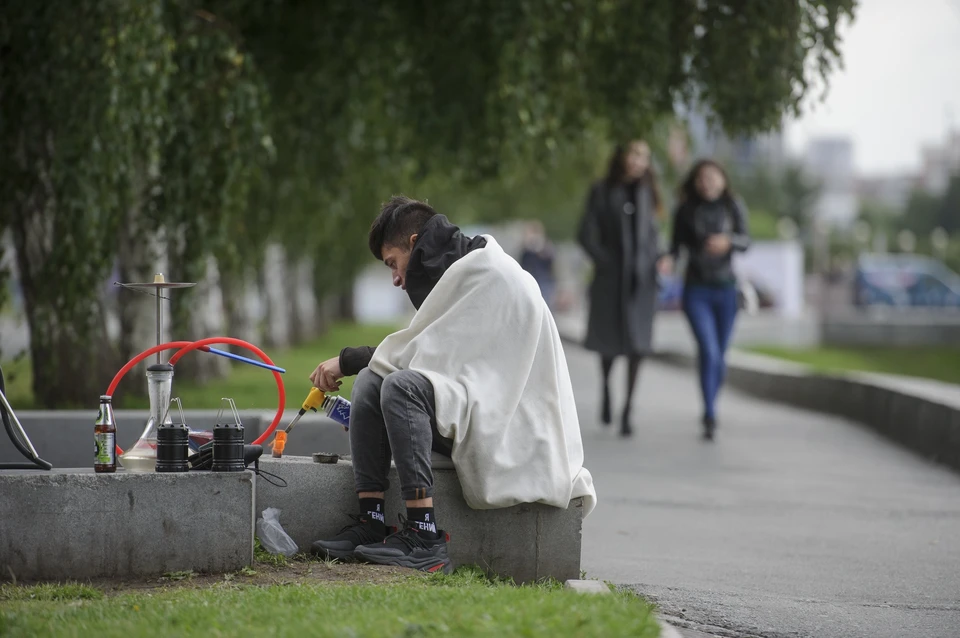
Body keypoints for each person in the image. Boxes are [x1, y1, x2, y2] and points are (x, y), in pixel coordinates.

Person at [308, 196, 596, 573]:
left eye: (393, 264)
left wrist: (345, 359)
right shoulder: (459, 274)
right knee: (371, 382)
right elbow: (430, 350)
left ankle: (424, 534)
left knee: (400, 386)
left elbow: (418, 354)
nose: (395, 279)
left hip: (510, 419)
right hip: (473, 399)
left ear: (414, 243)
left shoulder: (488, 273)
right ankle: (371, 521)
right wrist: (355, 365)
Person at [577, 140, 671, 437]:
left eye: (644, 156)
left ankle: (628, 409)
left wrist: (660, 258)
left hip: (641, 283)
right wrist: (604, 262)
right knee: (608, 345)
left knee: (638, 347)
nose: (638, 161)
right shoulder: (602, 190)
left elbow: (654, 235)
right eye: (634, 154)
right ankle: (606, 389)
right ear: (622, 157)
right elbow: (585, 233)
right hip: (610, 281)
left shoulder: (649, 192)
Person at [669, 159, 750, 440]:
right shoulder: (685, 209)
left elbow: (746, 241)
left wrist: (730, 242)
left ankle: (710, 405)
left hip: (726, 289)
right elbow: (675, 246)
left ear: (723, 179)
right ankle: (710, 413)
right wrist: (668, 260)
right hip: (696, 289)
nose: (708, 183)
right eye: (702, 178)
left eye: (713, 177)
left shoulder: (733, 206)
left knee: (720, 356)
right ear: (695, 182)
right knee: (709, 350)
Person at [518, 220, 556, 307]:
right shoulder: (526, 249)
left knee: (545, 305)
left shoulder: (546, 247)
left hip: (544, 281)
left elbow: (550, 262)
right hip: (531, 280)